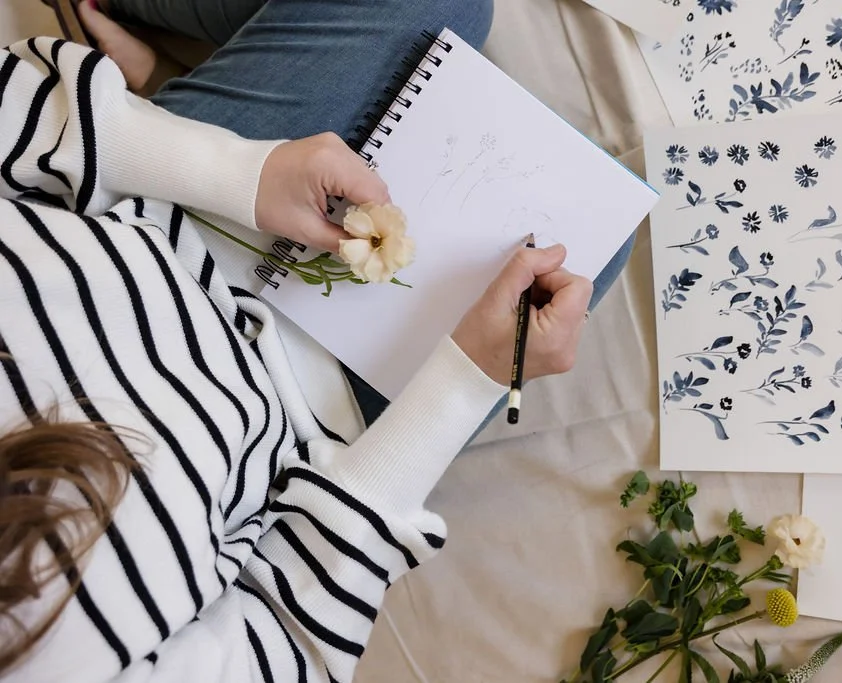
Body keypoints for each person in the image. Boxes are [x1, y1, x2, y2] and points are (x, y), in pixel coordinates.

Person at [0, 1, 634, 681]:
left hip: (159, 207)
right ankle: (165, 75)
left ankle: (156, 67)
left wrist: (242, 172)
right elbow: (292, 640)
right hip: (312, 423)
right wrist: (466, 381)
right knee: (597, 236)